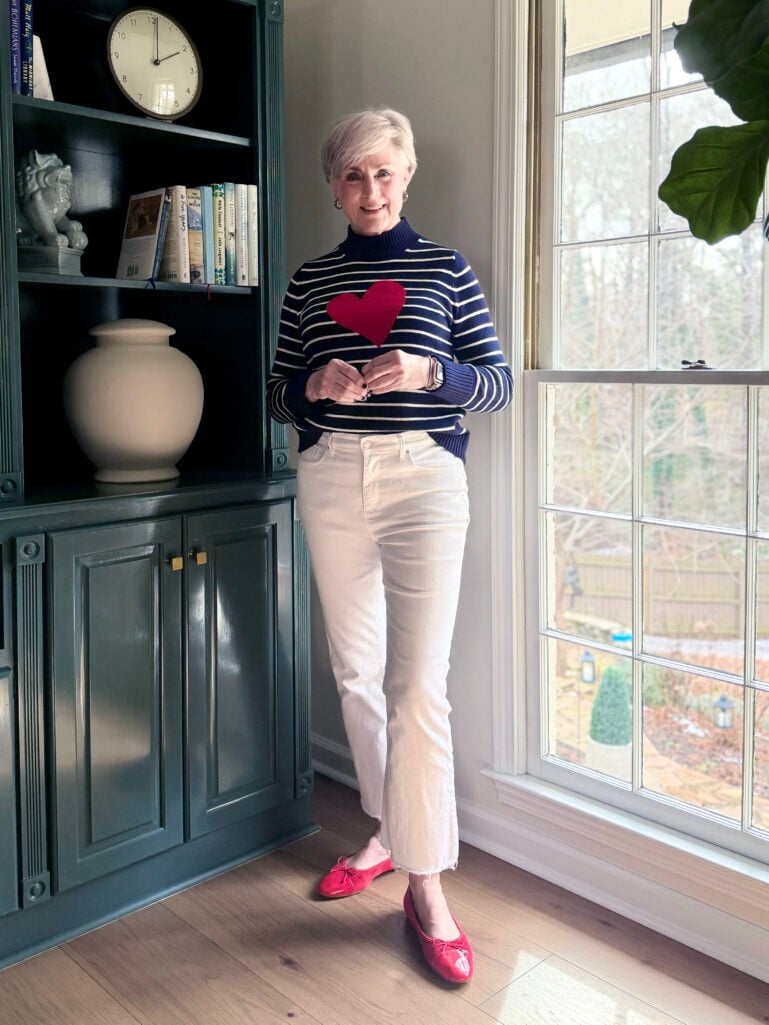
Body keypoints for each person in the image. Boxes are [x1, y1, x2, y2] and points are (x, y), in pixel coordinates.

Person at [267, 107, 512, 984]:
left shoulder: (446, 269)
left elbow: (496, 383)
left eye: (382, 173)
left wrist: (427, 371)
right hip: (332, 473)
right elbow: (275, 392)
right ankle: (386, 828)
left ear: (405, 178)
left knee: (417, 684)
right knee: (355, 675)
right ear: (332, 185)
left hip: (422, 480)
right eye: (350, 175)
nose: (367, 190)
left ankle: (427, 885)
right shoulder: (309, 279)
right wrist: (309, 384)